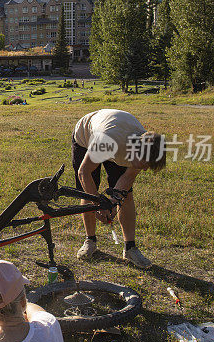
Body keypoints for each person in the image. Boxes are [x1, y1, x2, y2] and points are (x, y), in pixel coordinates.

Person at [71, 109, 166, 269]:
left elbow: (126, 180)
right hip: (86, 137)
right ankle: (90, 241)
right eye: (144, 165)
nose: (144, 170)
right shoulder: (107, 141)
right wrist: (98, 205)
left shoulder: (145, 146)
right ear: (135, 152)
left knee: (127, 195)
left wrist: (114, 202)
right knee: (87, 191)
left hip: (116, 136)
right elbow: (84, 172)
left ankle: (130, 248)